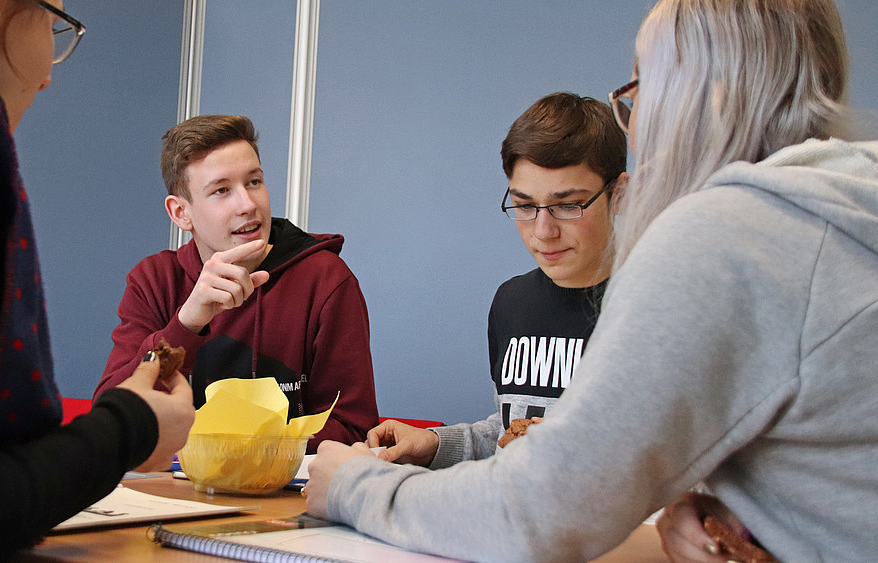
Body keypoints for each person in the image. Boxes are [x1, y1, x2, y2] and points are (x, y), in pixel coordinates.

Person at [305, 0, 878, 561]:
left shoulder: (725, 236)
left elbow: (543, 511)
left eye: (642, 89)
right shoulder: (843, 208)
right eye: (525, 207)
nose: (639, 119)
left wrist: (356, 486)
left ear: (708, 97)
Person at [0, 0, 194, 560]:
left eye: (255, 181)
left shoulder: (322, 278)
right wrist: (130, 428)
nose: (49, 75)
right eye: (52, 26)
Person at [366, 92, 626, 469]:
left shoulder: (658, 310)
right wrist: (437, 444)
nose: (543, 231)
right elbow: (509, 432)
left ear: (618, 194)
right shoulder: (512, 303)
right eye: (523, 206)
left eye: (568, 205)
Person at [93, 114, 379, 453]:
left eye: (254, 182)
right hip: (174, 491)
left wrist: (239, 451)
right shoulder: (154, 281)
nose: (248, 205)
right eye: (222, 190)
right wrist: (187, 323)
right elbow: (112, 416)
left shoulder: (326, 279)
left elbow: (353, 426)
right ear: (180, 213)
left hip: (284, 495)